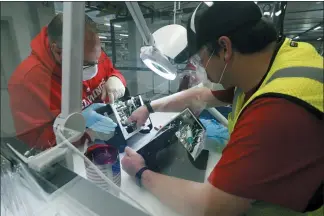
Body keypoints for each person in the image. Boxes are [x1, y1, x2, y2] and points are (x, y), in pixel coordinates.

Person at [121, 2, 323, 216]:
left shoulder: (276, 109)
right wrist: (149, 107)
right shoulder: (273, 60)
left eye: (200, 58)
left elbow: (210, 207)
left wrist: (141, 173)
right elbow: (200, 95)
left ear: (224, 48)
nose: (200, 69)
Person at [8, 14, 126, 150]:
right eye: (87, 64)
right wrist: (77, 128)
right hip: (72, 155)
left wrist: (116, 78)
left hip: (106, 138)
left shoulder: (89, 51)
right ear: (58, 52)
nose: (95, 68)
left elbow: (111, 71)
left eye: (97, 60)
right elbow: (35, 143)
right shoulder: (26, 82)